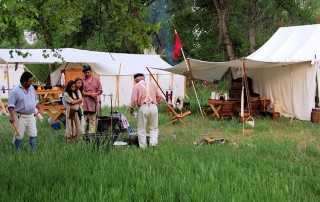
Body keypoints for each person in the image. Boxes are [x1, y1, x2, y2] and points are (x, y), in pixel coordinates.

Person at [8, 72, 43, 152]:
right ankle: (18, 152)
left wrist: (39, 109)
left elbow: (35, 100)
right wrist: (12, 116)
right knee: (19, 135)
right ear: (24, 81)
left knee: (33, 133)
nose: (31, 83)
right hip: (20, 116)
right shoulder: (15, 90)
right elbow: (11, 105)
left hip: (31, 115)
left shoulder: (31, 88)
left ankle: (33, 151)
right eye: (30, 81)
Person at [130, 73, 164, 148]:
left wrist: (132, 110)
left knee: (141, 128)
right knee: (154, 127)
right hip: (153, 107)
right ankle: (153, 144)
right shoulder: (152, 84)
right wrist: (155, 102)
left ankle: (143, 147)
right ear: (143, 78)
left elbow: (134, 100)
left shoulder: (136, 86)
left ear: (135, 80)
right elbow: (160, 97)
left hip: (143, 107)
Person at [82, 65, 102, 133]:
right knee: (83, 120)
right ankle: (82, 135)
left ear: (91, 71)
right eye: (85, 73)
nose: (87, 74)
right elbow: (81, 92)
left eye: (88, 72)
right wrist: (90, 94)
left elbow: (100, 90)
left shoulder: (96, 80)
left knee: (92, 119)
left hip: (94, 102)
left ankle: (91, 134)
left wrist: (96, 94)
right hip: (84, 102)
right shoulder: (82, 81)